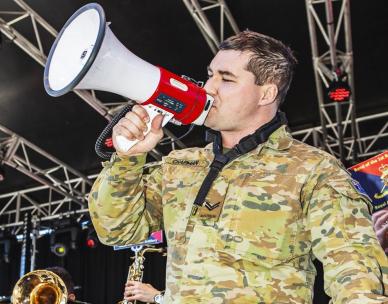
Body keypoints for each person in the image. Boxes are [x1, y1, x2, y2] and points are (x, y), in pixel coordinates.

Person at [89, 30, 388, 303]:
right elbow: (117, 230)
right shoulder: (181, 165)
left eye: (226, 78)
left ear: (266, 93)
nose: (209, 88)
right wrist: (126, 161)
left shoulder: (313, 170)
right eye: (210, 75)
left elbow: (357, 276)